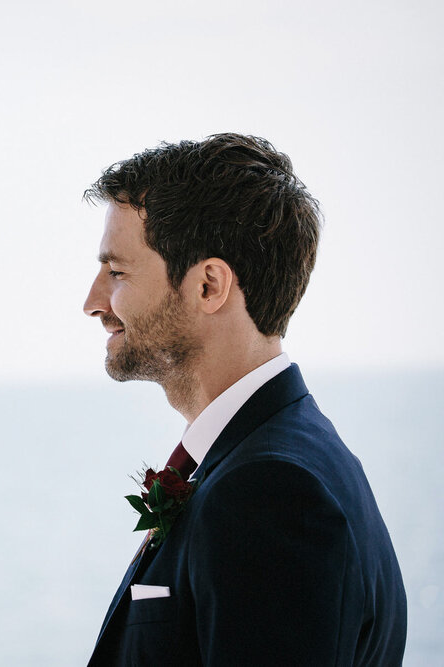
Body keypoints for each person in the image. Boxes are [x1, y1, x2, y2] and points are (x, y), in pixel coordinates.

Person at [81, 134, 407, 665]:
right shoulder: (279, 458)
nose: (93, 303)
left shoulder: (273, 493)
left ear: (209, 285)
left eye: (117, 272)